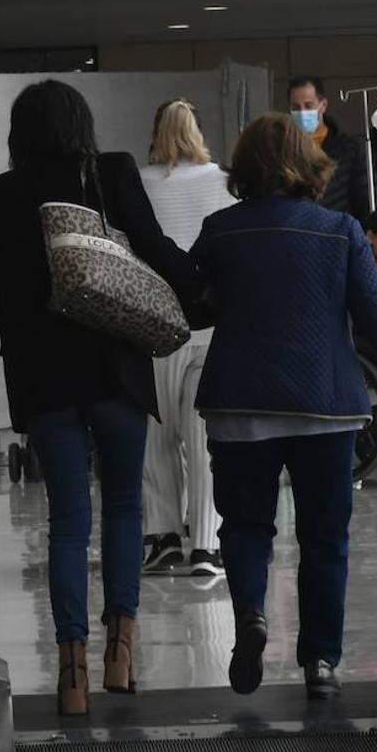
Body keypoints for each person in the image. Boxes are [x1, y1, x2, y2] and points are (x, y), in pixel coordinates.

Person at [0, 80, 201, 716]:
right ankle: (121, 654)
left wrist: (36, 333)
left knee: (68, 524)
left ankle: (71, 675)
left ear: (20, 133)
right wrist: (205, 285)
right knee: (126, 508)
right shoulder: (110, 173)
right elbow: (154, 251)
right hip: (116, 373)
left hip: (48, 384)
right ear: (81, 125)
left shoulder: (0, 193)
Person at [192, 112, 377, 701]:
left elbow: (195, 309)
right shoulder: (341, 230)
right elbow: (374, 319)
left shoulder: (220, 230)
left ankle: (251, 614)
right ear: (310, 163)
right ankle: (320, 661)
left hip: (240, 401)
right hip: (324, 404)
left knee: (246, 526)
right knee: (325, 537)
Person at [138, 99, 237, 577]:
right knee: (202, 440)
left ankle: (162, 539)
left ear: (156, 133)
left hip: (152, 326)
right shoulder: (225, 183)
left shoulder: (138, 183)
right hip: (209, 329)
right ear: (199, 131)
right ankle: (206, 545)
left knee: (155, 440)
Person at [288, 75, 377, 223]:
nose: (302, 112)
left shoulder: (352, 149)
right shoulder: (283, 152)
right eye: (296, 108)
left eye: (309, 105)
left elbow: (368, 201)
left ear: (323, 105)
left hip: (339, 236)